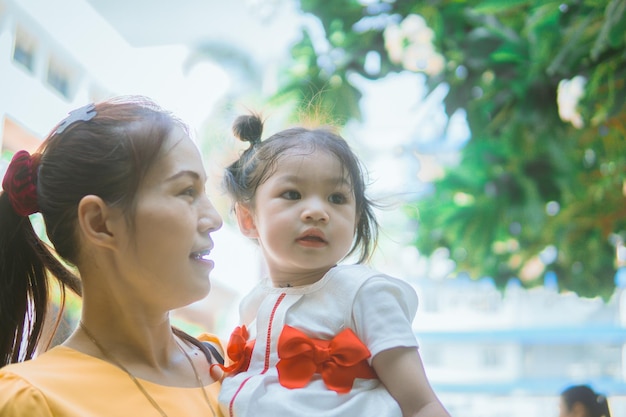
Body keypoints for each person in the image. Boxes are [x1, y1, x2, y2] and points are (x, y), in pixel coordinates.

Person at [0, 96, 226, 416]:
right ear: (99, 222)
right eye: (186, 191)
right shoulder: (31, 401)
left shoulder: (231, 366)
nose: (214, 219)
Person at [217, 113, 451, 417]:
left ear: (355, 220)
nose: (317, 211)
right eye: (292, 194)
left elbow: (421, 403)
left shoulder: (364, 294)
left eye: (337, 198)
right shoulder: (251, 307)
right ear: (248, 218)